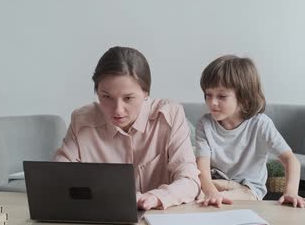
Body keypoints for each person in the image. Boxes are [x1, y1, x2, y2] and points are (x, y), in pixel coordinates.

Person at [54, 46, 201, 210]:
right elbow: (60, 177)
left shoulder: (170, 115)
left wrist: (155, 197)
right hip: (100, 221)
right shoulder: (82, 120)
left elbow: (190, 181)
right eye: (106, 97)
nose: (117, 110)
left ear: (146, 93)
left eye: (128, 98)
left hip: (157, 218)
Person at [194, 55, 305, 208]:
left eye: (222, 96)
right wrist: (210, 192)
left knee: (211, 201)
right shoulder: (204, 124)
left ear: (244, 98)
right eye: (208, 95)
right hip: (215, 184)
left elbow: (291, 160)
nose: (212, 102)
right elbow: (203, 168)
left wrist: (291, 192)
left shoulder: (261, 124)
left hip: (247, 189)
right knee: (194, 190)